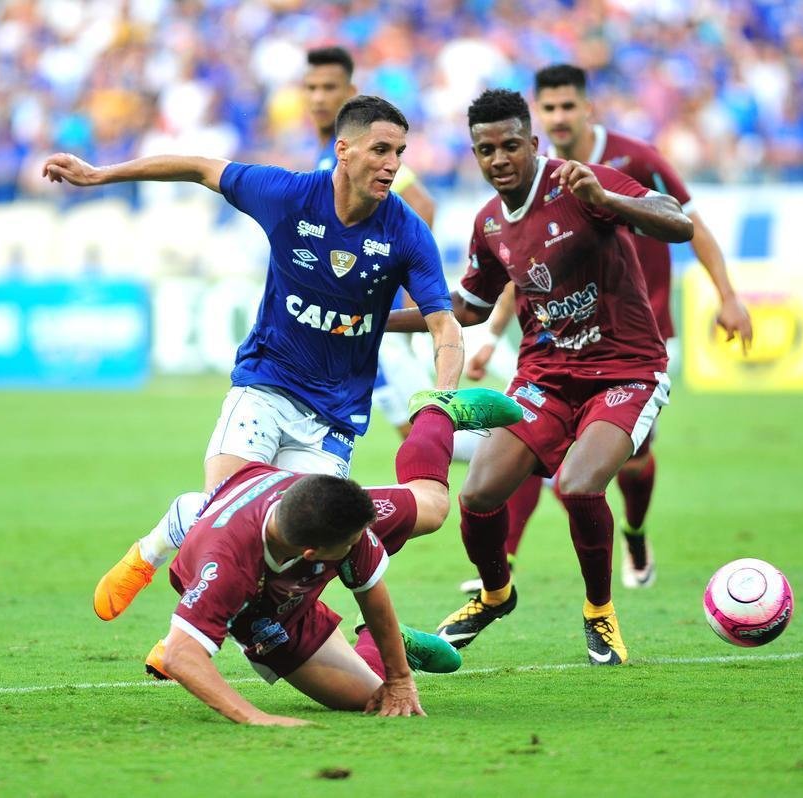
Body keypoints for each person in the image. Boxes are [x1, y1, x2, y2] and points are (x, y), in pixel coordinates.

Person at [42, 95, 466, 621]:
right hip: (265, 386)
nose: (392, 164)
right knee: (225, 516)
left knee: (294, 545)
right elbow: (199, 168)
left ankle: (188, 571)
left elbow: (443, 323)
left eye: (400, 152)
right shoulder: (287, 194)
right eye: (380, 149)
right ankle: (153, 554)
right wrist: (100, 174)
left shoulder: (405, 232)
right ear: (343, 151)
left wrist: (441, 397)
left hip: (333, 417)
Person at [387, 89, 693, 665]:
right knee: (477, 496)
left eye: (509, 145)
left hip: (625, 371)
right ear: (475, 156)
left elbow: (677, 223)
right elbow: (469, 307)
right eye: (485, 150)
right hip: (547, 376)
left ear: (532, 143)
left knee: (578, 486)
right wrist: (373, 320)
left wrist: (608, 200)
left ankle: (599, 611)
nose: (498, 158)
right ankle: (496, 594)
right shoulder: (488, 224)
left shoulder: (582, 183)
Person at [460, 64, 754, 593]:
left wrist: (728, 297)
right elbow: (521, 271)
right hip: (563, 350)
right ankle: (506, 559)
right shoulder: (524, 187)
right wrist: (489, 333)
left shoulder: (632, 159)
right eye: (549, 108)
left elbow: (691, 224)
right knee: (539, 451)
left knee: (631, 458)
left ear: (586, 108)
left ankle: (635, 532)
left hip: (644, 338)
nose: (559, 116)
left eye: (568, 106)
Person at [145, 387, 524, 725]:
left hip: (317, 511)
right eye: (353, 544)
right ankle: (380, 641)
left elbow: (370, 587)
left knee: (434, 507)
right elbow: (180, 655)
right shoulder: (228, 568)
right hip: (267, 613)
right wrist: (256, 718)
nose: (363, 542)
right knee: (370, 699)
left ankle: (436, 414)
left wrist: (401, 678)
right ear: (313, 556)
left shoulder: (331, 512)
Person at [304, 45, 437, 438]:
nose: (318, 98)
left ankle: (535, 466)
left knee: (430, 436)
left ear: (350, 90)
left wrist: (412, 299)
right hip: (359, 326)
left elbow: (421, 204)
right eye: (311, 88)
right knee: (412, 434)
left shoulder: (367, 153)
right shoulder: (326, 153)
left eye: (329, 87)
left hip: (384, 322)